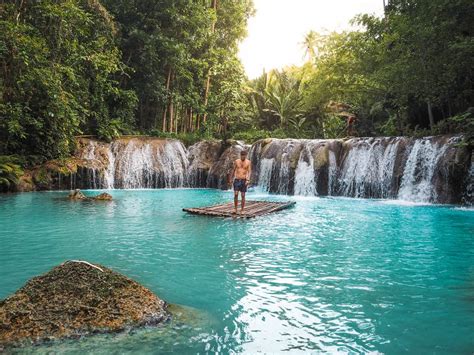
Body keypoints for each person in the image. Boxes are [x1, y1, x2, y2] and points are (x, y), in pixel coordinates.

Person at [231, 150, 251, 214]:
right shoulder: (237, 161)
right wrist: (231, 178)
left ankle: (242, 210)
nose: (243, 157)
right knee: (236, 194)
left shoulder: (248, 162)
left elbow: (249, 171)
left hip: (244, 180)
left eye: (244, 155)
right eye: (242, 155)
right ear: (240, 155)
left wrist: (248, 180)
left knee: (243, 195)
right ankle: (235, 209)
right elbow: (233, 170)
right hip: (237, 179)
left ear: (246, 155)